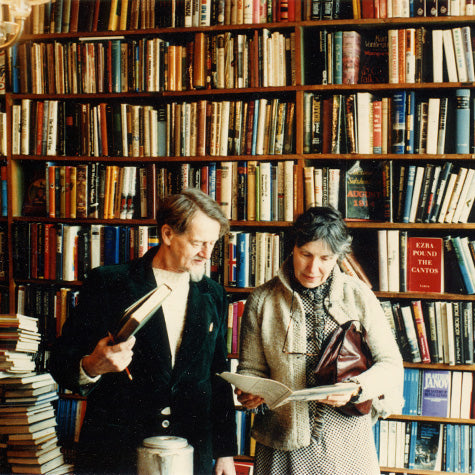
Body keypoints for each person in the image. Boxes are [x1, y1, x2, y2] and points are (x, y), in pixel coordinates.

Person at [49, 188, 238, 475]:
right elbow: (60, 362)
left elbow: (218, 376)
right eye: (198, 243)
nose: (207, 254)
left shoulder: (212, 293)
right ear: (167, 235)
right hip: (117, 453)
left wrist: (224, 453)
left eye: (213, 244)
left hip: (191, 453)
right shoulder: (109, 283)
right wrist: (91, 366)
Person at [236, 206, 404, 475]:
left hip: (348, 446)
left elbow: (392, 365)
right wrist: (250, 393)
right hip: (282, 446)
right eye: (306, 254)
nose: (313, 268)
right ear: (293, 247)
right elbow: (251, 369)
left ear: (338, 256)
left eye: (325, 258)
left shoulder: (358, 295)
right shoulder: (262, 300)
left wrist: (356, 387)